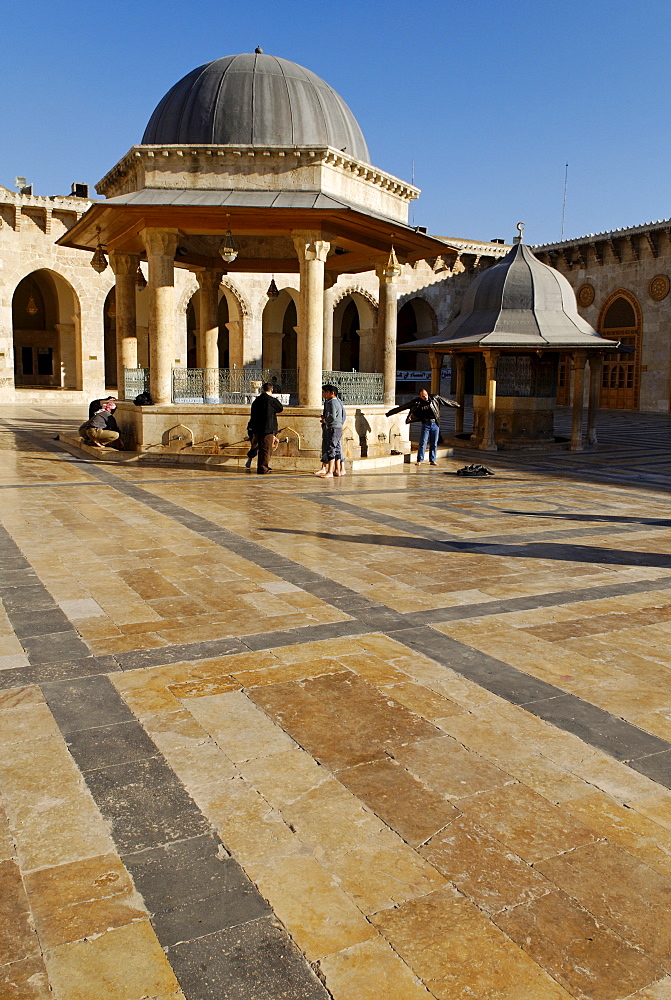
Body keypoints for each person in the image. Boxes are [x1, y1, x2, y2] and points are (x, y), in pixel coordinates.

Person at [386, 387, 459, 466]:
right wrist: (389, 413)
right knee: (423, 442)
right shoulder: (417, 402)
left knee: (434, 443)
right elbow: (403, 407)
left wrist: (457, 405)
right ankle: (419, 460)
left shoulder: (434, 398)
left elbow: (446, 401)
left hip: (435, 423)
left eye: (426, 395)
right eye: (423, 396)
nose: (425, 397)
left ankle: (432, 460)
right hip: (426, 424)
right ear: (420, 396)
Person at [248, 382, 283, 474]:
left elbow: (253, 415)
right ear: (271, 390)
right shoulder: (271, 400)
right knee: (266, 449)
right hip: (268, 429)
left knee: (261, 449)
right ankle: (263, 468)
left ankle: (262, 466)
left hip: (257, 429)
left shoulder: (256, 401)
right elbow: (280, 408)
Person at [314, 384, 346, 478]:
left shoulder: (332, 402)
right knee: (336, 448)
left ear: (331, 393)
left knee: (331, 448)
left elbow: (332, 416)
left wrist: (324, 420)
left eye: (325, 392)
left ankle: (330, 471)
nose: (323, 394)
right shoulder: (334, 402)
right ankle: (337, 470)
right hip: (337, 427)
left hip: (334, 427)